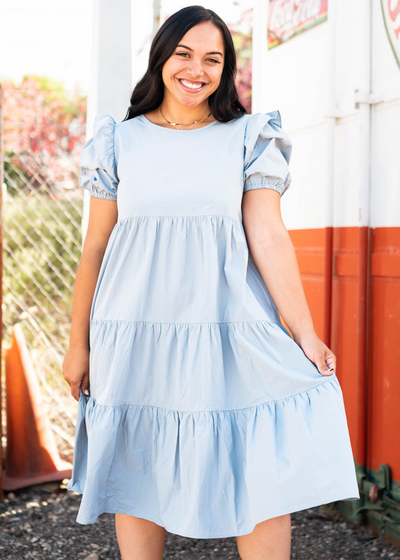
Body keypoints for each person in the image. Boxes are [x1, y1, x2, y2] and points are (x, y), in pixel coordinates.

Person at [62, 5, 360, 560]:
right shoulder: (118, 142)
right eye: (184, 54)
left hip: (229, 329)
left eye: (213, 59)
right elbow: (95, 248)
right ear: (161, 59)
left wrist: (305, 333)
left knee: (262, 469)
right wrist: (77, 342)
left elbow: (268, 236)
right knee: (137, 467)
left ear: (226, 70)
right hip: (133, 333)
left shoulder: (248, 137)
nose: (196, 69)